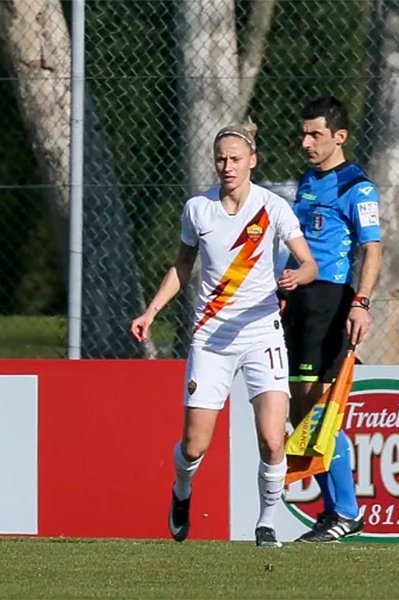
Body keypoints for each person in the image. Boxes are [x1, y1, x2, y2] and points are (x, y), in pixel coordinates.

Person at [130, 121, 318, 547]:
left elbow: (309, 263)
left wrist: (296, 276)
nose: (227, 166)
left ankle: (267, 524)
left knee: (273, 439)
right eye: (221, 158)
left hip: (262, 334)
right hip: (211, 338)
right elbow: (182, 266)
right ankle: (182, 492)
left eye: (235, 158)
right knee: (195, 446)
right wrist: (151, 311)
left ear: (252, 161)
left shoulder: (273, 207)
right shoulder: (199, 209)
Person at [280, 96, 383, 542]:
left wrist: (361, 302)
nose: (306, 142)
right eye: (303, 133)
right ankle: (332, 510)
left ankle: (346, 511)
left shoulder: (357, 187)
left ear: (339, 137)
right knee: (299, 412)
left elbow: (373, 249)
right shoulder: (306, 180)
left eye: (315, 134)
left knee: (320, 413)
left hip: (330, 303)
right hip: (299, 302)